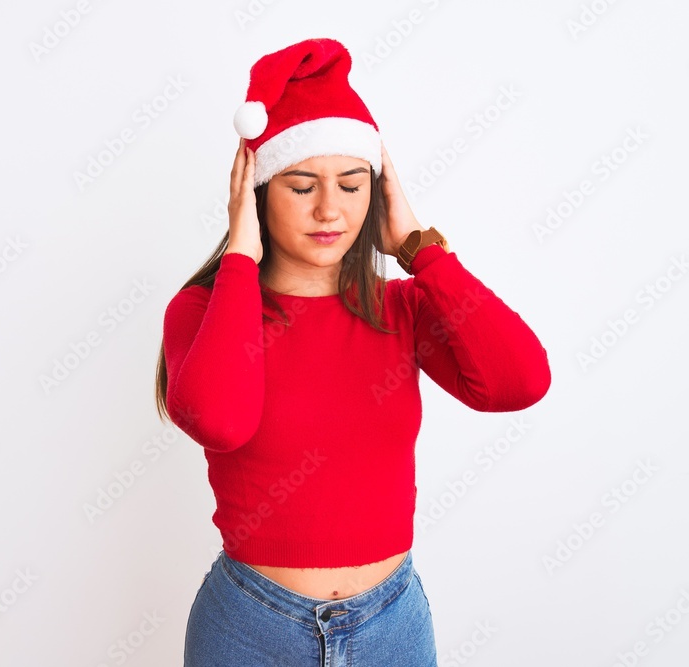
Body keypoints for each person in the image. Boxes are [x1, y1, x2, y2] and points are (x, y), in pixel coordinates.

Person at [154, 37, 551, 666]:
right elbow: (220, 420)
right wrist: (240, 257)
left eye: (351, 182)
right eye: (301, 185)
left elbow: (519, 382)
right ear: (256, 192)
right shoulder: (203, 312)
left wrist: (423, 250)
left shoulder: (403, 308)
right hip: (251, 627)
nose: (330, 209)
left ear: (378, 191)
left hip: (389, 625)